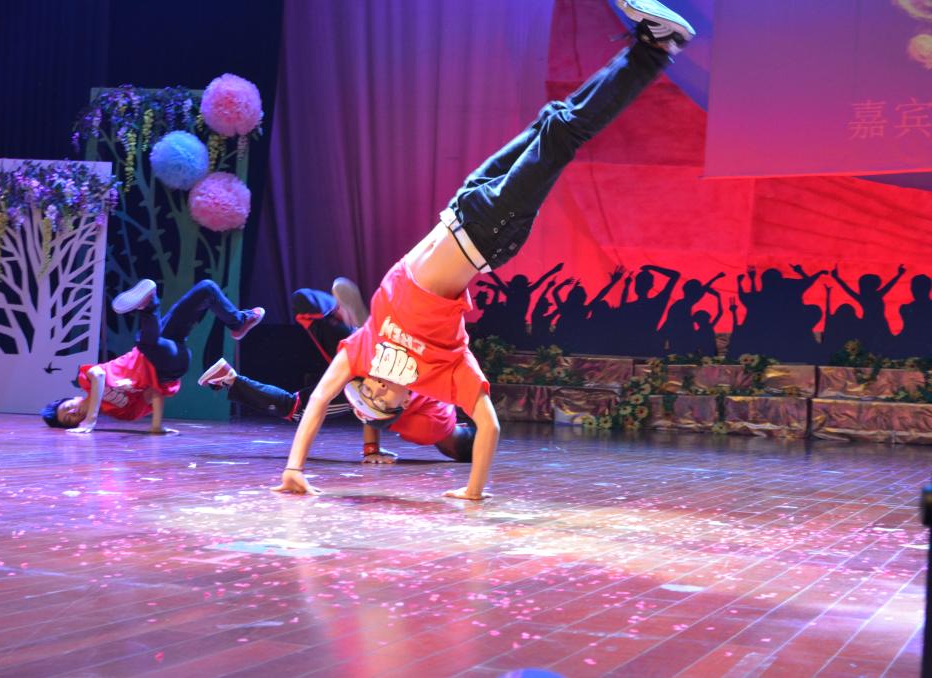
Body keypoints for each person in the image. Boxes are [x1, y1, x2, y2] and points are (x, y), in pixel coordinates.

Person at [271, 0, 695, 501]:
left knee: (552, 121)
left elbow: (321, 397)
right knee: (564, 135)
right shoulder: (443, 372)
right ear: (407, 403)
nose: (380, 388)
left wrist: (294, 467)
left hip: (461, 207)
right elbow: (489, 424)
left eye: (370, 390)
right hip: (487, 232)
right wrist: (473, 491)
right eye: (385, 400)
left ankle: (654, 42)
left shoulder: (363, 348)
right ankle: (655, 47)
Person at [197, 279, 475, 463]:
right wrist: (371, 450)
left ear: (463, 426)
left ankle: (339, 320)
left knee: (327, 326)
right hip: (372, 381)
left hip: (387, 358)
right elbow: (376, 410)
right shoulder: (431, 434)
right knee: (296, 408)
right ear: (451, 453)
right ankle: (230, 380)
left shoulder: (447, 407)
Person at [40, 279, 264, 434]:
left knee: (206, 289)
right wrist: (156, 426)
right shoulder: (123, 413)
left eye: (67, 408)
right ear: (76, 424)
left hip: (161, 346)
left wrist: (91, 419)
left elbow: (99, 374)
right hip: (168, 366)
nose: (73, 412)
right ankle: (149, 303)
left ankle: (238, 322)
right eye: (70, 418)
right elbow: (154, 392)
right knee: (145, 342)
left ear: (70, 398)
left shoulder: (86, 379)